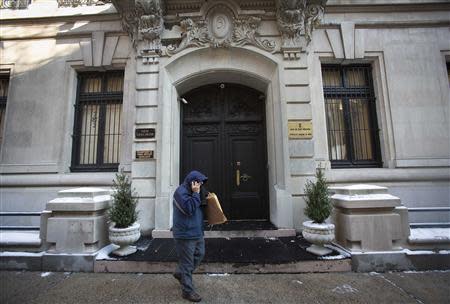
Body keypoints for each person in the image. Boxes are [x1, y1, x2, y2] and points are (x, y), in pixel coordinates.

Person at [172, 170, 208, 302]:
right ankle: (187, 291)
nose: (201, 185)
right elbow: (189, 209)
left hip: (197, 232)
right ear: (192, 182)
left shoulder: (196, 193)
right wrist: (196, 193)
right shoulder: (180, 193)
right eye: (199, 182)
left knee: (200, 254)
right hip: (185, 234)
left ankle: (180, 273)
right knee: (187, 264)